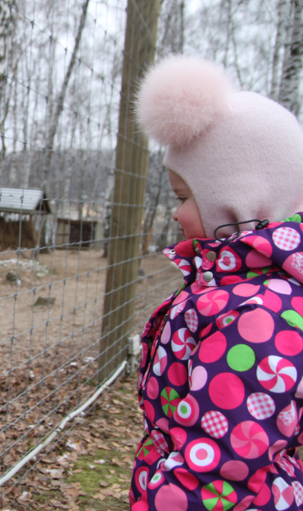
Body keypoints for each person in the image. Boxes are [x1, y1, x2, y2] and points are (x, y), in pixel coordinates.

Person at [130, 55, 303, 511]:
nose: (175, 212)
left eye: (184, 197)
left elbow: (217, 476)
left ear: (240, 200)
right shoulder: (231, 290)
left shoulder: (255, 318)